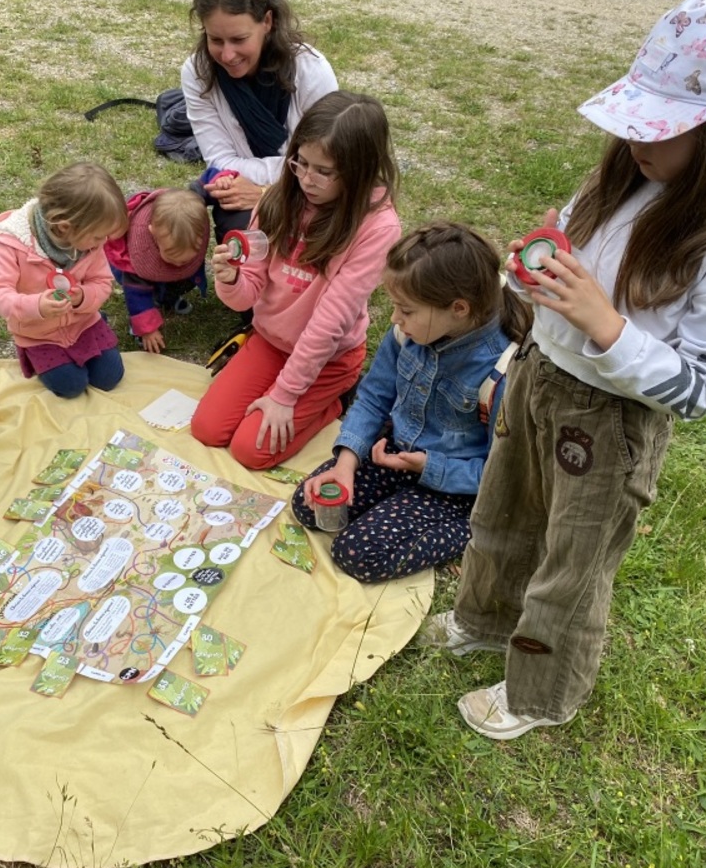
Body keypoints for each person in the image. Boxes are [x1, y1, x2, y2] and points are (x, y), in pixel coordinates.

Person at [418, 0, 706, 740]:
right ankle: (485, 619)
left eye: (665, 126)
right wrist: (537, 267)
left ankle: (542, 693)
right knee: (502, 516)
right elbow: (565, 257)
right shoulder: (627, 178)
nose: (637, 139)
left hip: (610, 424)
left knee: (573, 562)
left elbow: (701, 388)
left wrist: (605, 324)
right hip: (539, 378)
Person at [293, 222, 531, 581]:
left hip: (456, 484)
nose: (395, 319)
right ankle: (395, 502)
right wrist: (345, 463)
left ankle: (473, 526)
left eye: (406, 310)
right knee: (311, 505)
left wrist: (430, 468)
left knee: (357, 553)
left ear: (459, 308)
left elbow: (504, 471)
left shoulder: (504, 371)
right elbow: (373, 397)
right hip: (396, 455)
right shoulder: (407, 333)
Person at [191, 90, 401, 469]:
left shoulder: (377, 226)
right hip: (271, 340)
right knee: (207, 428)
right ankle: (296, 394)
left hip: (328, 358)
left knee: (250, 450)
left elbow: (330, 322)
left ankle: (333, 400)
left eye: (323, 171)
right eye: (300, 163)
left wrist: (285, 395)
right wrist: (230, 279)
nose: (306, 179)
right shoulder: (278, 199)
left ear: (360, 171)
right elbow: (246, 295)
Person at [182, 0, 338, 243]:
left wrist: (264, 191)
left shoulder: (312, 72)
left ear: (267, 21)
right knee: (206, 218)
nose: (227, 55)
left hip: (311, 192)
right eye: (215, 40)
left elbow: (325, 166)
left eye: (239, 39)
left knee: (289, 228)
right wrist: (250, 181)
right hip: (241, 185)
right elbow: (219, 160)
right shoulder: (198, 72)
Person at [0, 162, 129, 398]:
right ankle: (39, 359)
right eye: (98, 236)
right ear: (64, 227)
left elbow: (102, 281)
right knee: (71, 387)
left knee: (110, 377)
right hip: (38, 334)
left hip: (84, 324)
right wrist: (36, 306)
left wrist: (83, 297)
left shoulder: (89, 243)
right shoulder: (13, 244)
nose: (103, 242)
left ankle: (94, 333)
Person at [105, 188, 210, 354]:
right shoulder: (140, 255)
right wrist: (147, 329)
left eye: (186, 260)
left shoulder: (189, 236)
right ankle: (140, 322)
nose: (178, 263)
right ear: (153, 233)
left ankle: (168, 298)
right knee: (144, 294)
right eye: (171, 256)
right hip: (135, 277)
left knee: (180, 279)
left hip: (168, 276)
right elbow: (136, 293)